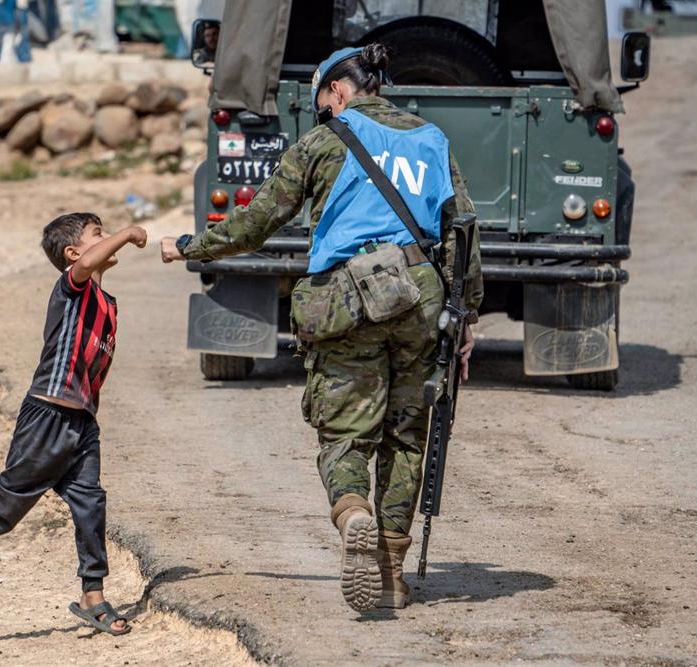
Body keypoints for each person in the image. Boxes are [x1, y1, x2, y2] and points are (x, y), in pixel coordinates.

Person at [161, 44, 483, 611]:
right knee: (408, 435)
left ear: (337, 90)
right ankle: (391, 575)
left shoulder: (322, 141)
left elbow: (257, 221)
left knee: (345, 432)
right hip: (420, 295)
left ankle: (353, 511)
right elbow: (462, 230)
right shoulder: (432, 140)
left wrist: (192, 246)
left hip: (348, 297)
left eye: (322, 104)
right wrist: (467, 317)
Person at [0, 212, 147, 635]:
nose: (107, 238)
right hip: (47, 415)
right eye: (98, 234)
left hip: (82, 422)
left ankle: (93, 595)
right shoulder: (72, 286)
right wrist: (127, 233)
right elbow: (86, 266)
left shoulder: (105, 303)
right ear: (72, 253)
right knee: (12, 500)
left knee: (90, 503)